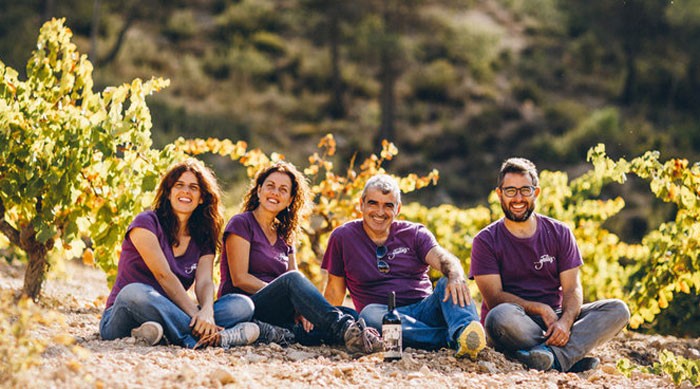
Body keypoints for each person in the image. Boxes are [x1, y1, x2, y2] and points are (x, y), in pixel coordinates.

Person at [469, 157, 630, 372]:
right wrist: (539, 309)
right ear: (499, 194)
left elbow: (572, 289)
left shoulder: (559, 232)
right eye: (510, 191)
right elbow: (494, 298)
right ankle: (567, 357)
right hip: (515, 322)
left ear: (536, 193)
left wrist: (565, 322)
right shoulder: (485, 240)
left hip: (556, 318)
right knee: (498, 316)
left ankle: (550, 357)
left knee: (618, 310)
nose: (518, 198)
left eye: (525, 190)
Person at [218, 161, 383, 354]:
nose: (275, 193)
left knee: (348, 313)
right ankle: (346, 331)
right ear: (259, 190)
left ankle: (278, 333)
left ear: (289, 200)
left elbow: (293, 277)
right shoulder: (241, 223)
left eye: (283, 189)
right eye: (270, 186)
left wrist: (304, 307)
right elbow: (240, 278)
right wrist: (293, 299)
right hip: (248, 304)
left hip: (279, 313)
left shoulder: (285, 235)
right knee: (294, 283)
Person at [322, 174, 486, 360]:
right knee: (369, 315)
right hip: (383, 315)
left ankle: (467, 332)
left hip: (426, 310)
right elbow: (334, 290)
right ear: (361, 204)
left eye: (388, 205)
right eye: (373, 203)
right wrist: (325, 325)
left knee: (449, 280)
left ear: (398, 208)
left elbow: (443, 258)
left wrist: (455, 274)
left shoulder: (415, 233)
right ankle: (451, 337)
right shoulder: (342, 237)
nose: (380, 211)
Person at [100, 159, 259, 349]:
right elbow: (163, 275)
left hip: (171, 311)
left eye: (193, 187)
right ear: (168, 193)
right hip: (125, 313)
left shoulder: (203, 236)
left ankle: (162, 332)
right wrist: (195, 314)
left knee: (242, 305)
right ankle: (213, 338)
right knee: (134, 292)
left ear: (201, 197)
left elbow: (205, 282)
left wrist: (207, 310)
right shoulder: (145, 223)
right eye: (179, 185)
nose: (186, 191)